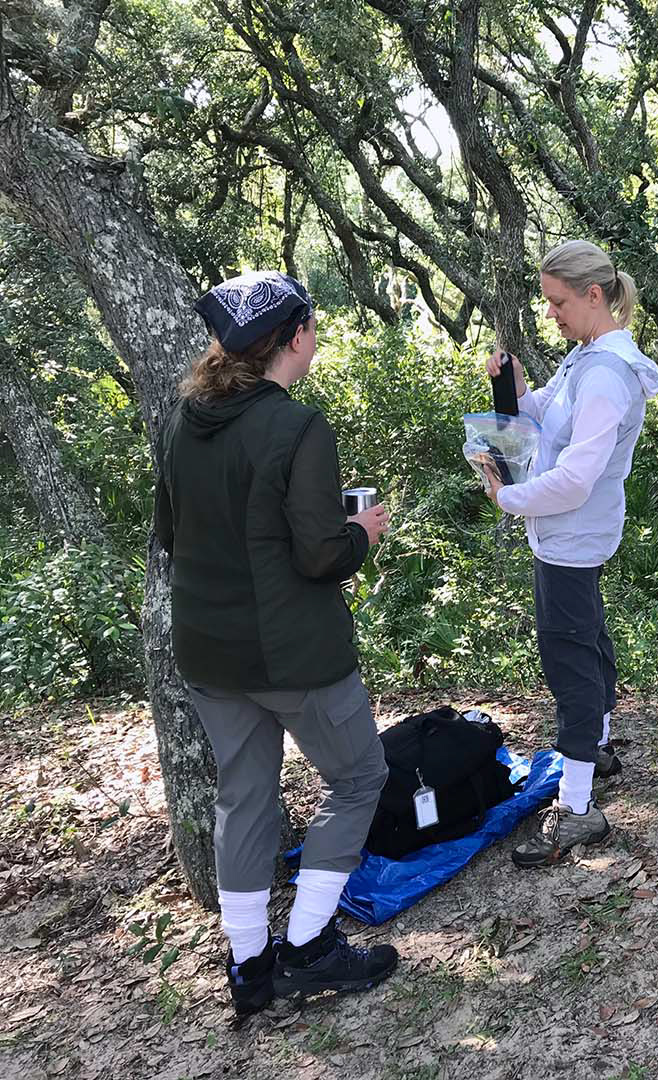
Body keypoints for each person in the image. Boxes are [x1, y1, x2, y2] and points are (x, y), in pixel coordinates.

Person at [153, 270, 400, 1020]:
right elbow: (320, 556)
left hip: (209, 655)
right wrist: (361, 530)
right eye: (313, 328)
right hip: (292, 653)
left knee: (245, 795)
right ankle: (309, 947)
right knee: (360, 777)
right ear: (296, 338)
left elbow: (169, 535)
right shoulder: (297, 427)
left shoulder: (182, 422)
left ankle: (250, 967)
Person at [480, 240, 658, 868]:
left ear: (593, 295)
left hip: (570, 531)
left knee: (569, 660)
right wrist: (515, 386)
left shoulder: (608, 374)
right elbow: (545, 419)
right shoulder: (586, 357)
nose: (550, 312)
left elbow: (578, 476)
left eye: (558, 302)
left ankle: (578, 809)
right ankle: (600, 744)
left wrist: (510, 498)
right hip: (567, 533)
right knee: (585, 637)